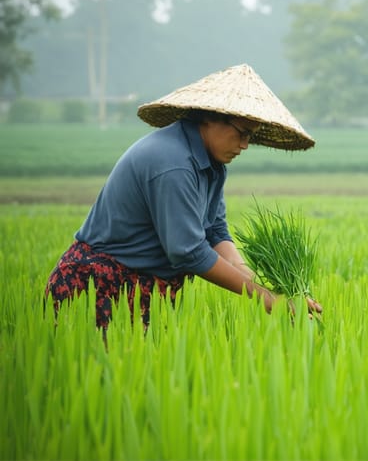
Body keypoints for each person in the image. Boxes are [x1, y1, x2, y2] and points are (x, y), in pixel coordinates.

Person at [45, 64, 323, 332]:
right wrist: (268, 300)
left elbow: (215, 232)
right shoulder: (173, 163)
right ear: (210, 117)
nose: (245, 145)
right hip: (99, 287)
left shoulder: (211, 165)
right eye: (242, 133)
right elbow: (188, 251)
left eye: (251, 136)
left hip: (146, 288)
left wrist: (267, 288)